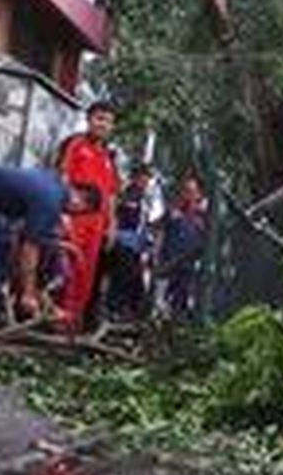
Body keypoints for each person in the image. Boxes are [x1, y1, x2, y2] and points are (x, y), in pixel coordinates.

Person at [0, 164, 94, 328]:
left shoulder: (54, 185)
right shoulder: (52, 201)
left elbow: (28, 237)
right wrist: (28, 295)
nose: (72, 215)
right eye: (80, 212)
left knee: (0, 247)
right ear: (80, 200)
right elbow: (30, 248)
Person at [55, 100, 119, 331]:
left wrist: (112, 225)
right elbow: (62, 177)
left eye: (108, 121)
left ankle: (74, 321)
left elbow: (111, 194)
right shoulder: (74, 144)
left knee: (87, 274)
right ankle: (56, 319)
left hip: (97, 226)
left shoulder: (108, 158)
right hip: (75, 219)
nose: (103, 124)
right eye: (99, 118)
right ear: (89, 120)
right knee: (66, 268)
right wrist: (62, 214)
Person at [153, 171, 209, 319]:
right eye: (185, 191)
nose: (188, 195)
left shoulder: (203, 217)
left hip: (189, 267)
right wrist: (156, 257)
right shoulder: (173, 212)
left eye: (192, 191)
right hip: (169, 264)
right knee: (162, 303)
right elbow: (159, 232)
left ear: (199, 194)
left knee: (182, 303)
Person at [102, 162, 153, 321]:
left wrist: (146, 247)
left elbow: (143, 224)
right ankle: (114, 309)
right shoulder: (127, 195)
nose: (144, 181)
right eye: (141, 177)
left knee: (135, 284)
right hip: (123, 244)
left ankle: (128, 312)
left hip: (136, 247)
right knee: (122, 278)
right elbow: (117, 216)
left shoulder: (144, 199)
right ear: (135, 178)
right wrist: (113, 236)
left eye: (146, 178)